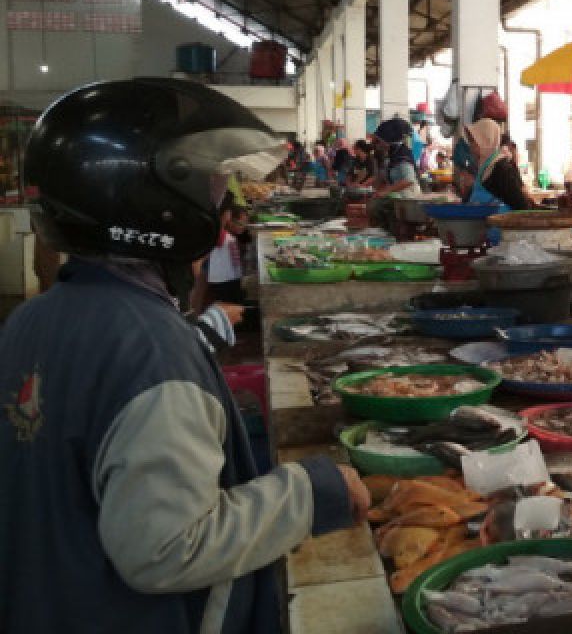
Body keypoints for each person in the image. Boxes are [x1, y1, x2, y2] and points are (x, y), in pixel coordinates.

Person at [0, 78, 369, 634]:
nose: (221, 205)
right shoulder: (152, 350)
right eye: (211, 186)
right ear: (157, 202)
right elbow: (166, 547)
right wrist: (313, 492)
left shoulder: (33, 318)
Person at [463, 119, 532, 210]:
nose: (470, 147)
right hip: (482, 223)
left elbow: (521, 205)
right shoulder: (485, 167)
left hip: (499, 223)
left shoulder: (502, 168)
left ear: (486, 140)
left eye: (473, 142)